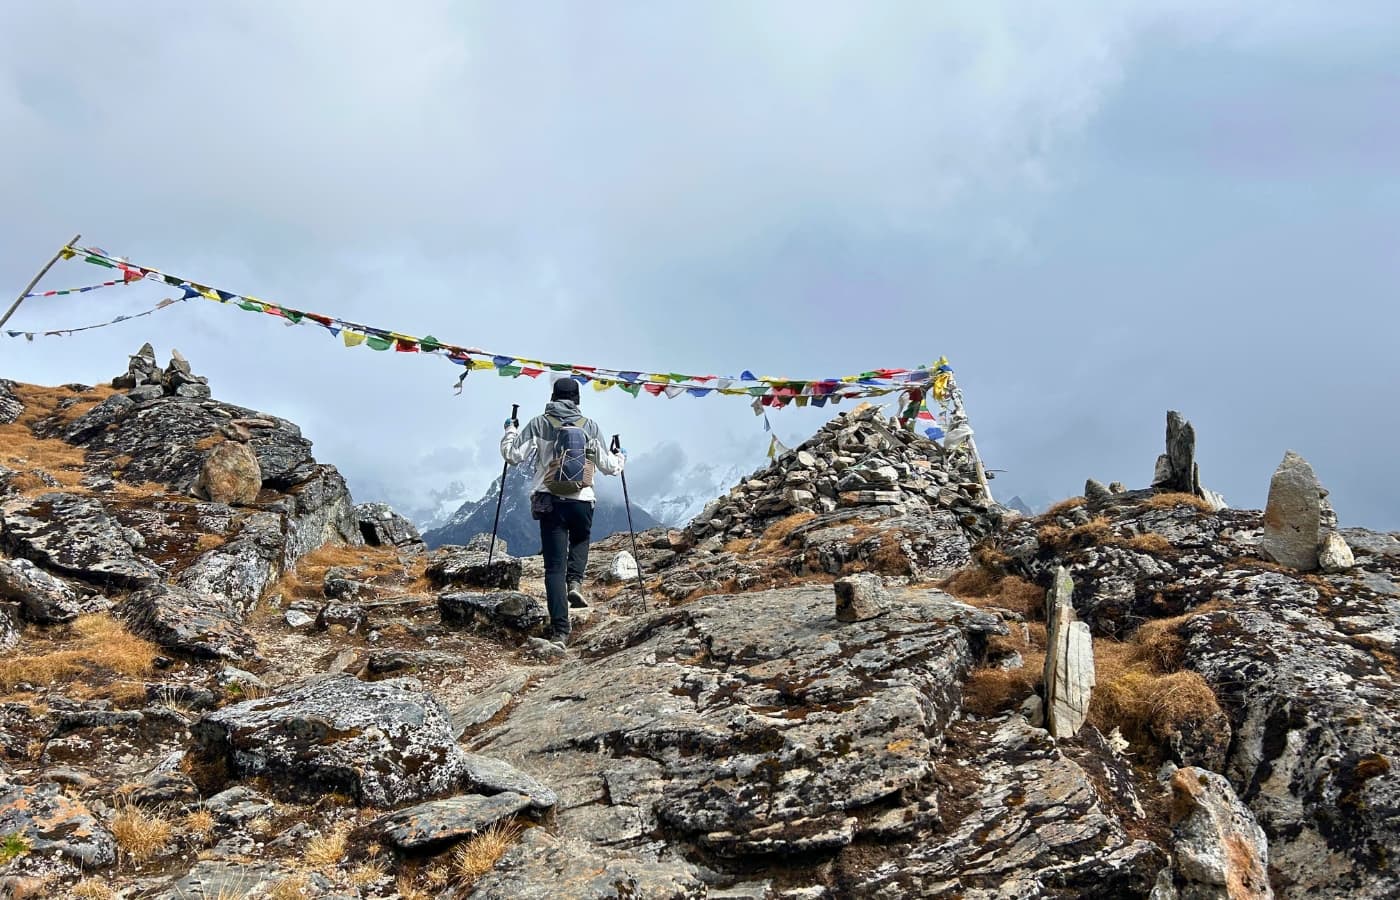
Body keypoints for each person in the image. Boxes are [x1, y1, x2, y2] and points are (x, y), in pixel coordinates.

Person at [500, 375, 625, 649]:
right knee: (580, 539)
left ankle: (560, 632)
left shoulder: (539, 423)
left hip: (550, 500)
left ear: (553, 397)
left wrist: (510, 431)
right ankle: (576, 583)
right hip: (582, 499)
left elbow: (512, 456)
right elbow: (608, 466)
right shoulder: (589, 426)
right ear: (577, 399)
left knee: (553, 567)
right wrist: (621, 456)